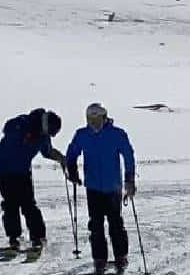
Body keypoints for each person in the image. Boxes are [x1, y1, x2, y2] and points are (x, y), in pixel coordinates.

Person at [65, 103, 136, 275]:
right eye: (90, 119)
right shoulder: (82, 135)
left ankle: (121, 256)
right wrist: (72, 171)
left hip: (113, 187)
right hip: (93, 187)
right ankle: (99, 259)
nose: (94, 123)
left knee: (115, 223)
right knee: (96, 225)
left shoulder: (117, 134)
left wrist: (129, 179)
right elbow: (72, 153)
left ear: (104, 118)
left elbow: (128, 155)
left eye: (97, 119)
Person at [0, 108, 65, 253]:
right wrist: (27, 133)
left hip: (22, 171)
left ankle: (38, 238)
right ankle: (14, 238)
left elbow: (47, 152)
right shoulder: (22, 123)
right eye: (50, 131)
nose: (49, 135)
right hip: (2, 169)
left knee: (29, 204)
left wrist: (62, 159)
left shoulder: (43, 135)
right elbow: (8, 128)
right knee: (11, 204)